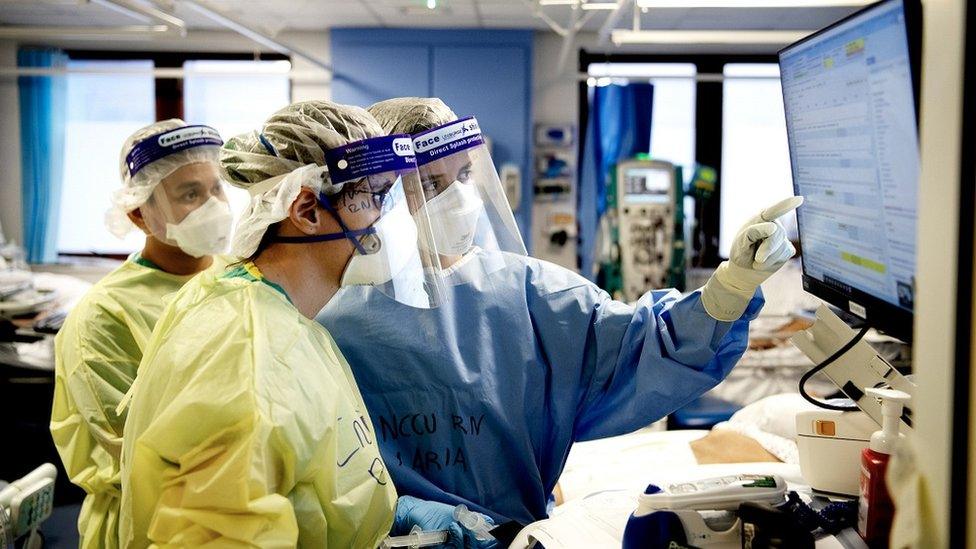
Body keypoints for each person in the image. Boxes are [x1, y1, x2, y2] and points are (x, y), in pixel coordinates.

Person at [318, 97, 801, 525]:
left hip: (519, 535)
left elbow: (642, 345)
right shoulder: (331, 316)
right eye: (431, 183)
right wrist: (396, 513)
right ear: (385, 196)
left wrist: (730, 288)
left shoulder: (525, 295)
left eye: (465, 176)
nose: (459, 198)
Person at [117, 101, 493, 548]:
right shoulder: (245, 356)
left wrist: (384, 519)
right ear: (308, 210)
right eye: (375, 197)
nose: (391, 218)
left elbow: (305, 481)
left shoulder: (285, 316)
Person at [49, 120, 233, 548]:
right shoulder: (103, 315)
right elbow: (136, 449)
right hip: (147, 526)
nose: (215, 207)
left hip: (242, 514)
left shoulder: (238, 279)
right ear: (139, 214)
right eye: (190, 194)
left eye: (217, 188)